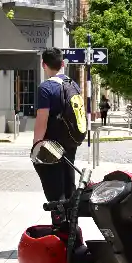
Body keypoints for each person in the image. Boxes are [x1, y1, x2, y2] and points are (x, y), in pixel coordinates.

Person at [33, 47, 82, 202]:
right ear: (62, 64)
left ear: (43, 64)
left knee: (55, 188)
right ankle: (72, 215)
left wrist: (36, 145)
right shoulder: (73, 85)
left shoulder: (45, 88)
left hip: (52, 145)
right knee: (69, 182)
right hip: (71, 140)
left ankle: (59, 216)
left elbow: (42, 120)